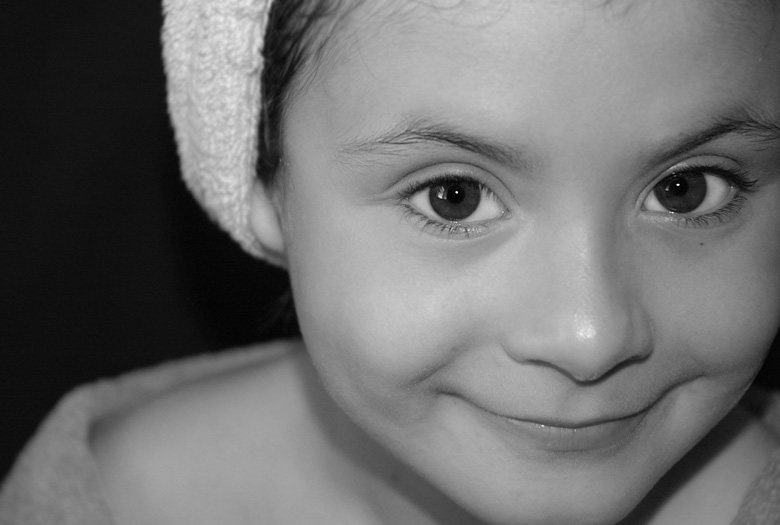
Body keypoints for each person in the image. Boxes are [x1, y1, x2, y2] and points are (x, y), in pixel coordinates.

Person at [3, 0, 780, 523]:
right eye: (453, 197)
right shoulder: (103, 498)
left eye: (685, 190)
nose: (590, 335)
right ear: (267, 183)